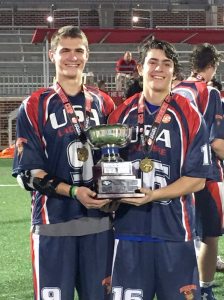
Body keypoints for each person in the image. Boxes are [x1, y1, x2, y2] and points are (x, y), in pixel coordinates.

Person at [12, 26, 115, 300]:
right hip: (52, 224)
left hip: (100, 223)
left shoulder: (104, 103)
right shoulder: (34, 104)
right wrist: (73, 191)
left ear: (87, 55)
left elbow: (117, 158)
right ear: (51, 55)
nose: (72, 57)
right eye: (65, 50)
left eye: (79, 50)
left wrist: (114, 194)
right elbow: (29, 175)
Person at [108, 38, 211, 300]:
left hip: (175, 232)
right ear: (140, 68)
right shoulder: (120, 115)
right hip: (128, 230)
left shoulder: (189, 114)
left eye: (166, 64)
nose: (159, 69)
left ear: (174, 72)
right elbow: (107, 168)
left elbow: (198, 179)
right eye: (152, 62)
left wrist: (154, 195)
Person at [173, 43, 224, 299]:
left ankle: (177, 284)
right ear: (212, 66)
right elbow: (217, 144)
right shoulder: (210, 92)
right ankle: (203, 288)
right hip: (204, 175)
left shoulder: (174, 89)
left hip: (172, 174)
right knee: (210, 234)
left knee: (180, 230)